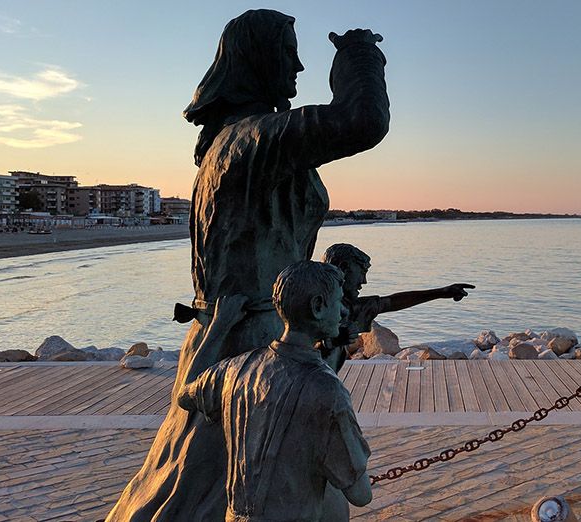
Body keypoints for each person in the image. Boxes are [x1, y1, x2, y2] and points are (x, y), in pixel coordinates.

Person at [107, 10, 389, 520]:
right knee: (225, 487)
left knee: (203, 482)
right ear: (255, 60)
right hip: (250, 341)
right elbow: (362, 120)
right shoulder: (251, 141)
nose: (300, 66)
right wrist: (359, 55)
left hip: (248, 331)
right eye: (287, 52)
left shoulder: (237, 143)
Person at [177, 261, 370, 522]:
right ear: (317, 307)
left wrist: (218, 326)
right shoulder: (326, 390)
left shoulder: (236, 369)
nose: (344, 311)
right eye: (338, 302)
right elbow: (361, 494)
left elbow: (185, 392)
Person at [319, 243, 474, 371]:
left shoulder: (347, 306)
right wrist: (329, 342)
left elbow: (392, 302)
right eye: (362, 272)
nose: (364, 281)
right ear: (343, 268)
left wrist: (442, 292)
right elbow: (300, 345)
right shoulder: (314, 304)